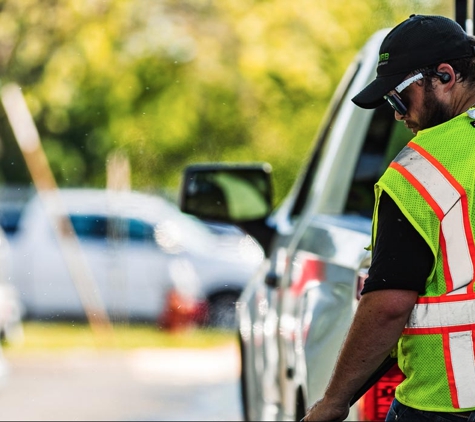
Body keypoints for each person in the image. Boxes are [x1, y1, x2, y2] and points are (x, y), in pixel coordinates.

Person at [304, 14, 475, 422]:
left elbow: (388, 306)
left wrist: (332, 401)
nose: (398, 115)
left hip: (448, 402)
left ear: (445, 76)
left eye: (399, 98)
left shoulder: (422, 172)